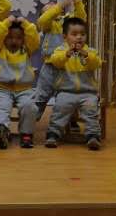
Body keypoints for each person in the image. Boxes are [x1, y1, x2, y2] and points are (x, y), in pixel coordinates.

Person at [44, 17, 102, 150]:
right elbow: (55, 61)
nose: (79, 37)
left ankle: (93, 135)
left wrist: (86, 55)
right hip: (66, 91)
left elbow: (96, 63)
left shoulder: (90, 51)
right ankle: (53, 134)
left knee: (91, 110)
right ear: (65, 36)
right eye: (74, 34)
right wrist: (66, 54)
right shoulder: (60, 50)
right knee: (60, 109)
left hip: (87, 93)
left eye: (82, 34)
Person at [0, 16, 41, 149]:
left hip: (24, 89)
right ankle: (2, 129)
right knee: (2, 106)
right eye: (10, 37)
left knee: (29, 106)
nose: (14, 41)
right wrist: (6, 23)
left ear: (23, 39)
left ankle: (26, 134)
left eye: (18, 38)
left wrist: (25, 24)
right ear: (4, 38)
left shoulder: (27, 49)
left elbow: (35, 39)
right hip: (2, 88)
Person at [34, 0, 86, 115]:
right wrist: (60, 5)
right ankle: (33, 117)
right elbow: (43, 19)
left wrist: (77, 2)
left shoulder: (67, 22)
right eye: (48, 7)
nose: (53, 6)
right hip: (49, 66)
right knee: (41, 94)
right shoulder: (48, 25)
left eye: (54, 5)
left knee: (65, 96)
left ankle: (66, 120)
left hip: (67, 65)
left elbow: (81, 19)